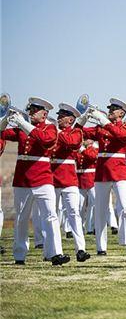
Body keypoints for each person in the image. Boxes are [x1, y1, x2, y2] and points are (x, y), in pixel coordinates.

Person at [0, 97, 69, 265]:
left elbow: (46, 140)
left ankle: (55, 253)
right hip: (23, 179)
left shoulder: (50, 127)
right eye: (29, 110)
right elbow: (1, 133)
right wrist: (5, 119)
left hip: (43, 177)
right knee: (21, 218)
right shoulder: (21, 129)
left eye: (34, 111)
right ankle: (19, 254)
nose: (30, 113)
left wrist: (22, 123)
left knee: (50, 215)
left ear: (44, 114)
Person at [77, 98, 126, 256]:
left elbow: (121, 136)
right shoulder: (100, 128)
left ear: (122, 113)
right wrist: (83, 117)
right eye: (110, 108)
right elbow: (79, 133)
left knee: (124, 207)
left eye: (114, 109)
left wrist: (104, 121)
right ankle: (101, 247)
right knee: (100, 210)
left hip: (119, 171)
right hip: (102, 172)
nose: (110, 110)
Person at [51, 103, 90, 262]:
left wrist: (57, 132)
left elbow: (72, 143)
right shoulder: (54, 132)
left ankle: (81, 249)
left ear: (71, 119)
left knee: (74, 212)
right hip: (52, 176)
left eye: (62, 116)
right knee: (52, 215)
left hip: (68, 178)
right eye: (59, 116)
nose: (59, 118)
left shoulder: (75, 132)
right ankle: (53, 250)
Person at [77, 139, 98, 235]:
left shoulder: (94, 149)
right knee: (79, 206)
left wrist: (84, 149)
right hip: (80, 180)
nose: (85, 141)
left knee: (95, 204)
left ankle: (92, 227)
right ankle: (79, 227)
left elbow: (92, 157)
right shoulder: (79, 150)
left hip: (91, 180)